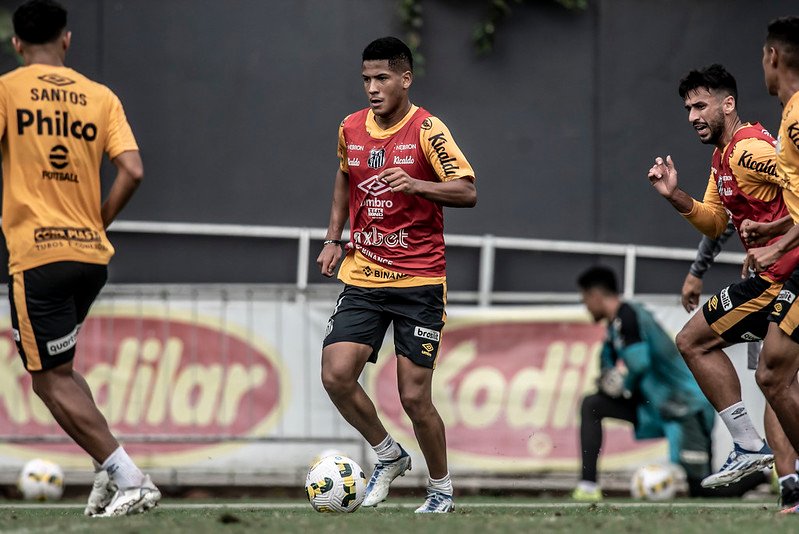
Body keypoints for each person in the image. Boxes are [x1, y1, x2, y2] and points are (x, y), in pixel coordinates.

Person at [1, 0, 159, 517]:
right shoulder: (101, 96)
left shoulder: (8, 90)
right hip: (90, 256)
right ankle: (105, 469)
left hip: (38, 255)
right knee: (60, 370)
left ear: (16, 43)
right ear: (66, 40)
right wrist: (98, 220)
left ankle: (128, 477)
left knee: (46, 378)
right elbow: (132, 171)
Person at [316, 36, 476, 514]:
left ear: (405, 78)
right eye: (366, 78)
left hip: (418, 282)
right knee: (336, 374)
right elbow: (345, 177)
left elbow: (467, 191)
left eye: (382, 77)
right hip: (364, 273)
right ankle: (388, 455)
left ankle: (441, 490)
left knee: (413, 396)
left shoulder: (428, 130)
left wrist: (417, 184)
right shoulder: (349, 128)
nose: (372, 87)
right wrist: (332, 237)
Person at [647, 64, 799, 499]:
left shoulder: (748, 150)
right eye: (688, 108)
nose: (693, 115)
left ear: (727, 104)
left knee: (702, 345)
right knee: (774, 379)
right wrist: (675, 195)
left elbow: (798, 185)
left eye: (701, 105)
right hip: (772, 279)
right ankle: (769, 463)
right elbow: (715, 223)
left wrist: (773, 239)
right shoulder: (722, 157)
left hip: (781, 279)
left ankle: (753, 448)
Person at [572, 266, 758, 500]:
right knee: (593, 404)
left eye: (585, 299)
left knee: (702, 491)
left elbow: (639, 364)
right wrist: (607, 377)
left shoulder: (628, 315)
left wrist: (623, 386)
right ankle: (588, 486)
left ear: (595, 296)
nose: (585, 306)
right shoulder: (614, 327)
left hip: (687, 408)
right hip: (656, 406)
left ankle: (766, 475)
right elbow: (606, 364)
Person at [738, 16, 799, 514]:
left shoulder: (795, 118)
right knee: (773, 372)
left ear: (773, 57)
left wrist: (776, 249)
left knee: (773, 373)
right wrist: (776, 232)